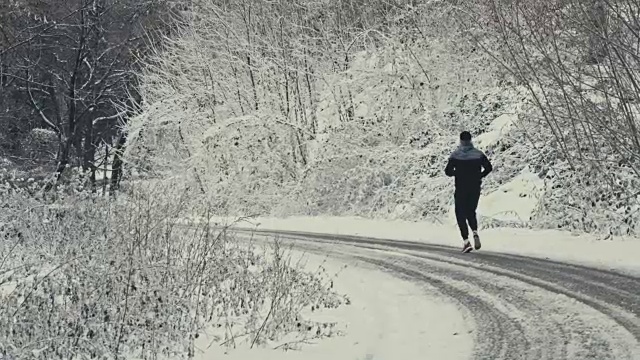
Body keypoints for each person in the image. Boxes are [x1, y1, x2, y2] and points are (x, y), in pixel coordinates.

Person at [445, 131, 493, 253]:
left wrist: (458, 173)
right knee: (471, 211)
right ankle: (475, 232)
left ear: (460, 141)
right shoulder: (478, 154)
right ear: (471, 140)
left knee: (460, 213)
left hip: (461, 188)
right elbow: (489, 167)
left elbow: (448, 171)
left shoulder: (456, 155)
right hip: (474, 187)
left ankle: (466, 241)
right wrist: (479, 176)